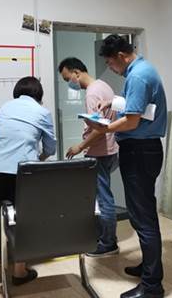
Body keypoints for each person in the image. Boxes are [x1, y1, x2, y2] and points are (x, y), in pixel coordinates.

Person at [86, 35, 167, 298]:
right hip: (144, 149)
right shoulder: (142, 70)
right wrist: (113, 103)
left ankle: (152, 286)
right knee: (143, 214)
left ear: (121, 56)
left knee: (143, 218)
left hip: (140, 151)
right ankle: (148, 268)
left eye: (110, 63)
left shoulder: (138, 76)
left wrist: (105, 128)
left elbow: (132, 121)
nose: (110, 68)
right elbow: (144, 108)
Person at [0, 76, 56, 291]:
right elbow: (50, 147)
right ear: (39, 94)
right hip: (22, 172)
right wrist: (39, 158)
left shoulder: (5, 107)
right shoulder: (42, 112)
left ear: (17, 92)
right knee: (23, 222)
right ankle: (19, 272)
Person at [58, 57, 119, 257]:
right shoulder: (103, 86)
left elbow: (99, 128)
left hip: (99, 152)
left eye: (67, 78)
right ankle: (104, 237)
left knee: (103, 199)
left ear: (77, 73)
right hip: (110, 149)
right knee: (103, 195)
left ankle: (108, 243)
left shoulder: (92, 93)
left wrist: (80, 146)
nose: (69, 83)